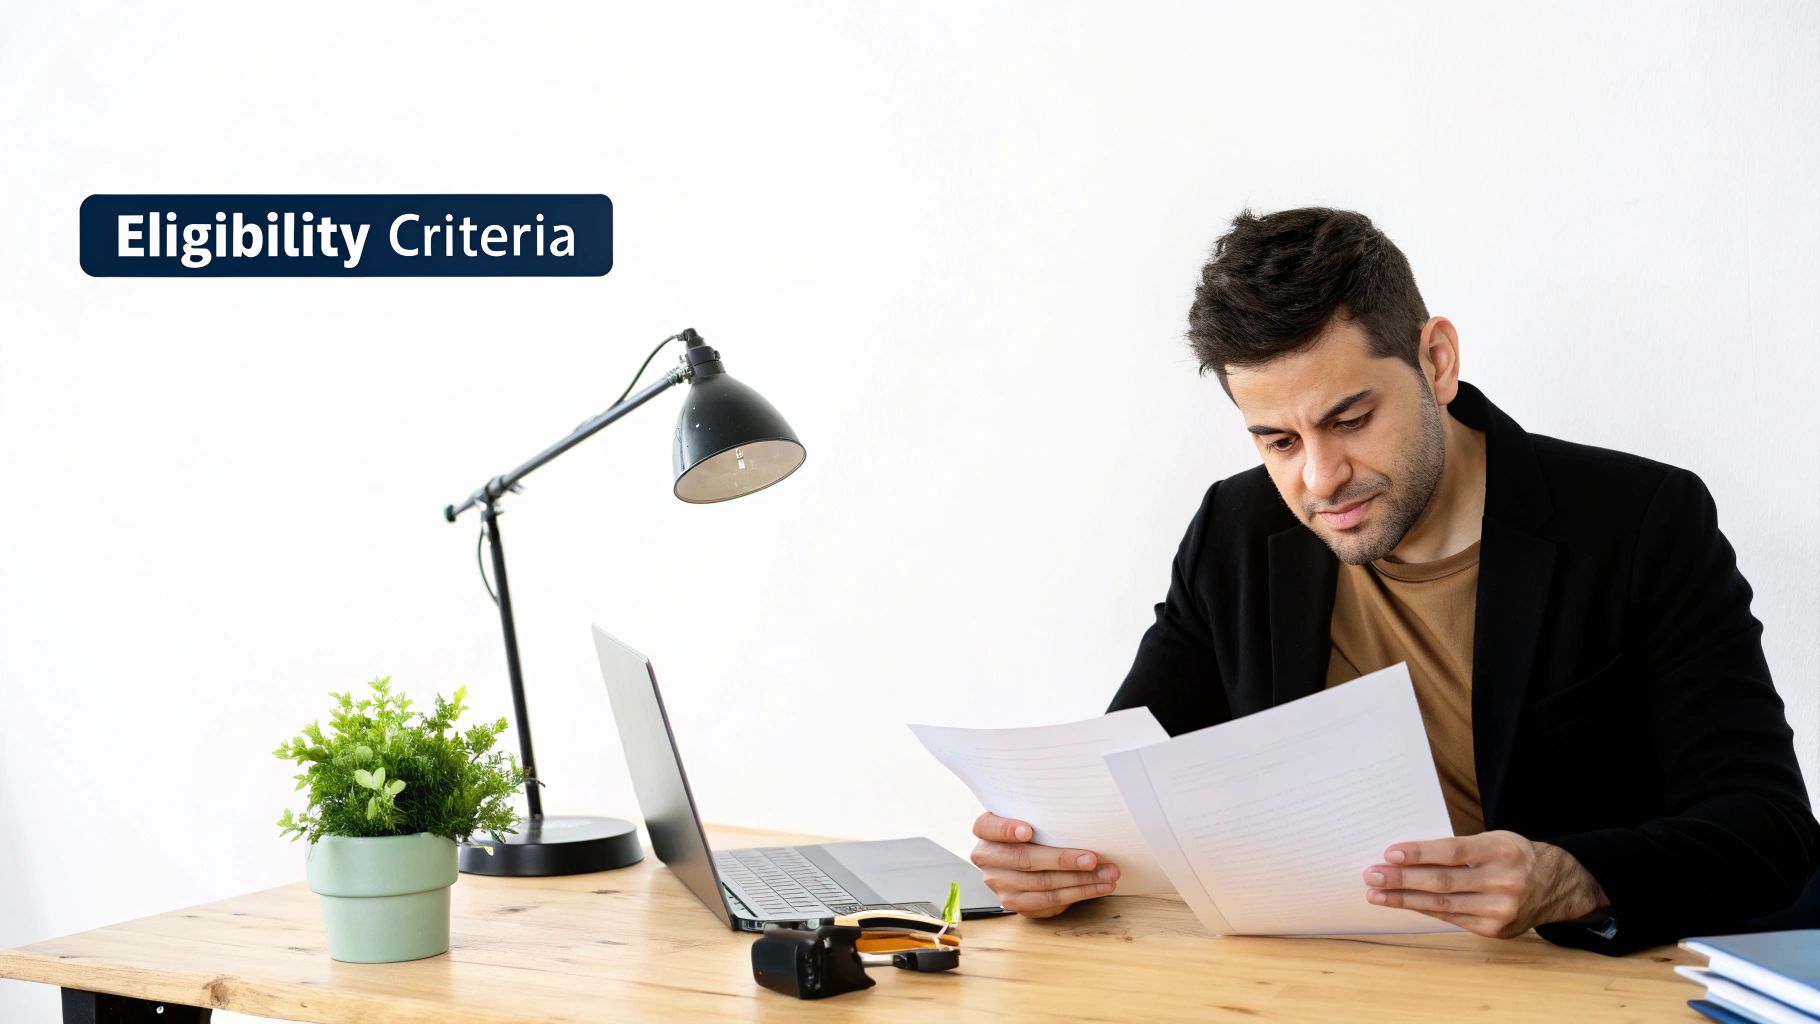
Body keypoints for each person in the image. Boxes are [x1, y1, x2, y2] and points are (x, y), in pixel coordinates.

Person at [968, 207, 1819, 955]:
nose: (1320, 480)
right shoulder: (1238, 530)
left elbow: (1771, 830)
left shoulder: (1639, 523)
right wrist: (1054, 861)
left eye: (1350, 420)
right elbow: (1131, 780)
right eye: (1278, 441)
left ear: (1436, 361)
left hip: (1554, 984)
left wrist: (1570, 875)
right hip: (1314, 979)